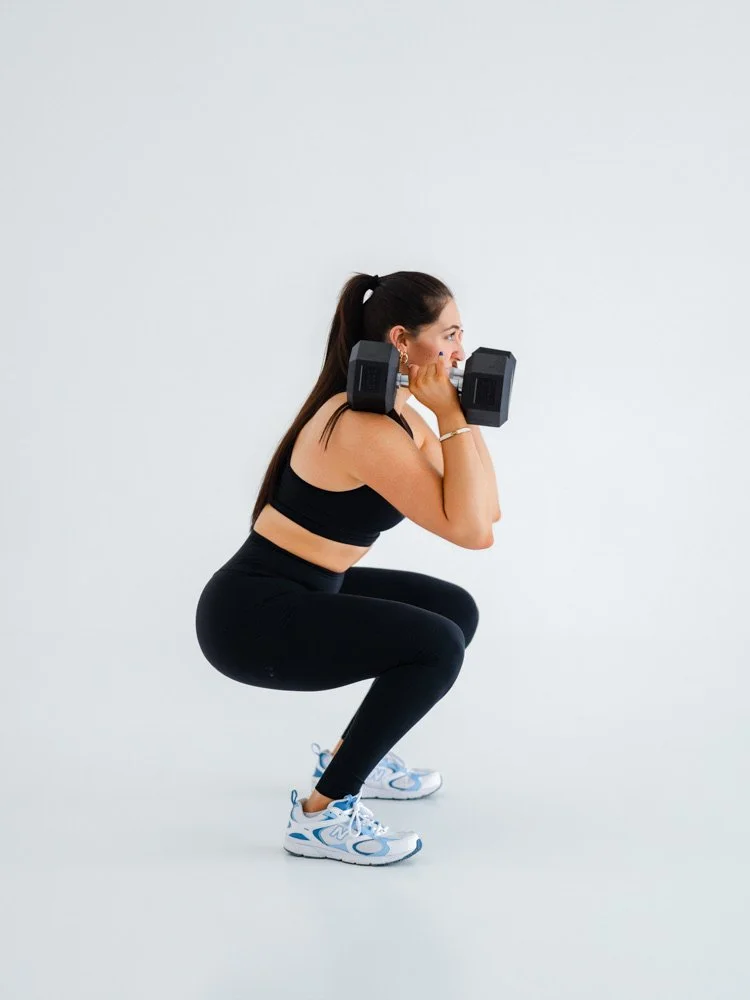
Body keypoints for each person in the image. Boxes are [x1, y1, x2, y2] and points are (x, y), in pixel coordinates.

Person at [195, 270, 501, 866]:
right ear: (401, 341)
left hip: (309, 588)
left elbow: (484, 514)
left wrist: (456, 417)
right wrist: (452, 420)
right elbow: (469, 531)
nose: (461, 351)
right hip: (250, 618)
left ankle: (351, 753)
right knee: (436, 645)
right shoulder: (360, 426)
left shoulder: (402, 415)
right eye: (451, 334)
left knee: (453, 611)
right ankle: (320, 815)